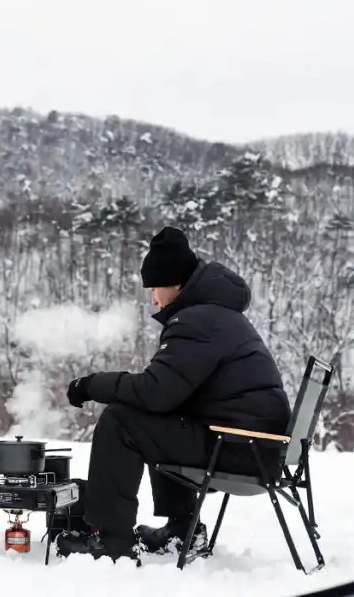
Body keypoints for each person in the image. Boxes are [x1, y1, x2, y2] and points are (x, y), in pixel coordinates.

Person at [55, 225, 292, 562]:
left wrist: (93, 385)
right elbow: (165, 394)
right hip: (252, 446)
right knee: (158, 418)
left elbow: (155, 393)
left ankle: (112, 541)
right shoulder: (215, 315)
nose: (152, 298)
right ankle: (182, 530)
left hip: (239, 447)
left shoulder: (198, 321)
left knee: (121, 420)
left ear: (177, 284)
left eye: (155, 287)